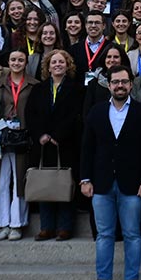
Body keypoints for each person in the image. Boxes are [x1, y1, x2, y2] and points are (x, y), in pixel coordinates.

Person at [80, 64, 141, 280]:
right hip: (101, 183)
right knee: (104, 234)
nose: (120, 86)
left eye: (124, 82)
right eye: (116, 82)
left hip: (132, 183)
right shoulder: (96, 112)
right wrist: (85, 179)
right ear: (109, 85)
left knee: (133, 234)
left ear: (131, 85)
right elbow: (87, 148)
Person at [25, 49, 83, 240]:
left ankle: (65, 227)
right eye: (54, 62)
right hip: (43, 145)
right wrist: (41, 134)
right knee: (45, 184)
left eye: (61, 62)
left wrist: (58, 135)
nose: (57, 65)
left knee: (65, 183)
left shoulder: (76, 89)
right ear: (48, 67)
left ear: (68, 66)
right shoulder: (39, 89)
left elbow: (76, 116)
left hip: (65, 143)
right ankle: (46, 227)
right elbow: (30, 115)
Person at [0, 48, 37, 240]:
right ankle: (2, 224)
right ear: (8, 63)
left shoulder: (33, 84)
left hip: (24, 136)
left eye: (20, 60)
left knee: (19, 180)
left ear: (26, 63)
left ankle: (17, 224)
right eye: (13, 60)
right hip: (3, 136)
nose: (16, 63)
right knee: (0, 181)